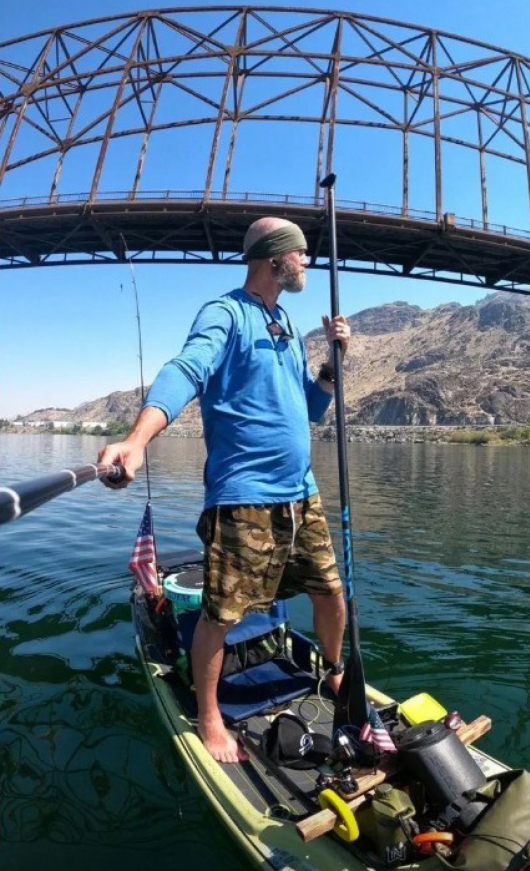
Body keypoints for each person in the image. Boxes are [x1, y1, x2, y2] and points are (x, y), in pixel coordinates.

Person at [98, 217, 350, 764]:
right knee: (222, 614)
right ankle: (210, 715)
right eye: (300, 254)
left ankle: (333, 672)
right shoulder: (226, 313)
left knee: (330, 592)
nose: (306, 263)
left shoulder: (285, 323)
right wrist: (139, 438)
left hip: (300, 495)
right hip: (245, 497)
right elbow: (186, 369)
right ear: (274, 257)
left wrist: (332, 366)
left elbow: (310, 407)